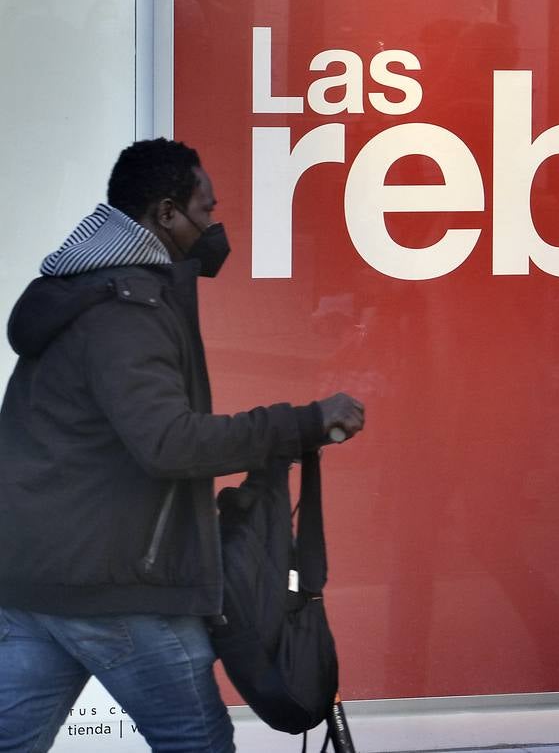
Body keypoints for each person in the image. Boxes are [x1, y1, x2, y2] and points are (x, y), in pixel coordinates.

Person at [0, 138, 366, 752]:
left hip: (41, 578)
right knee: (195, 742)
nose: (214, 224)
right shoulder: (127, 311)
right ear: (166, 214)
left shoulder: (91, 289)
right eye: (206, 210)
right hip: (120, 585)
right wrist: (301, 423)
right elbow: (169, 442)